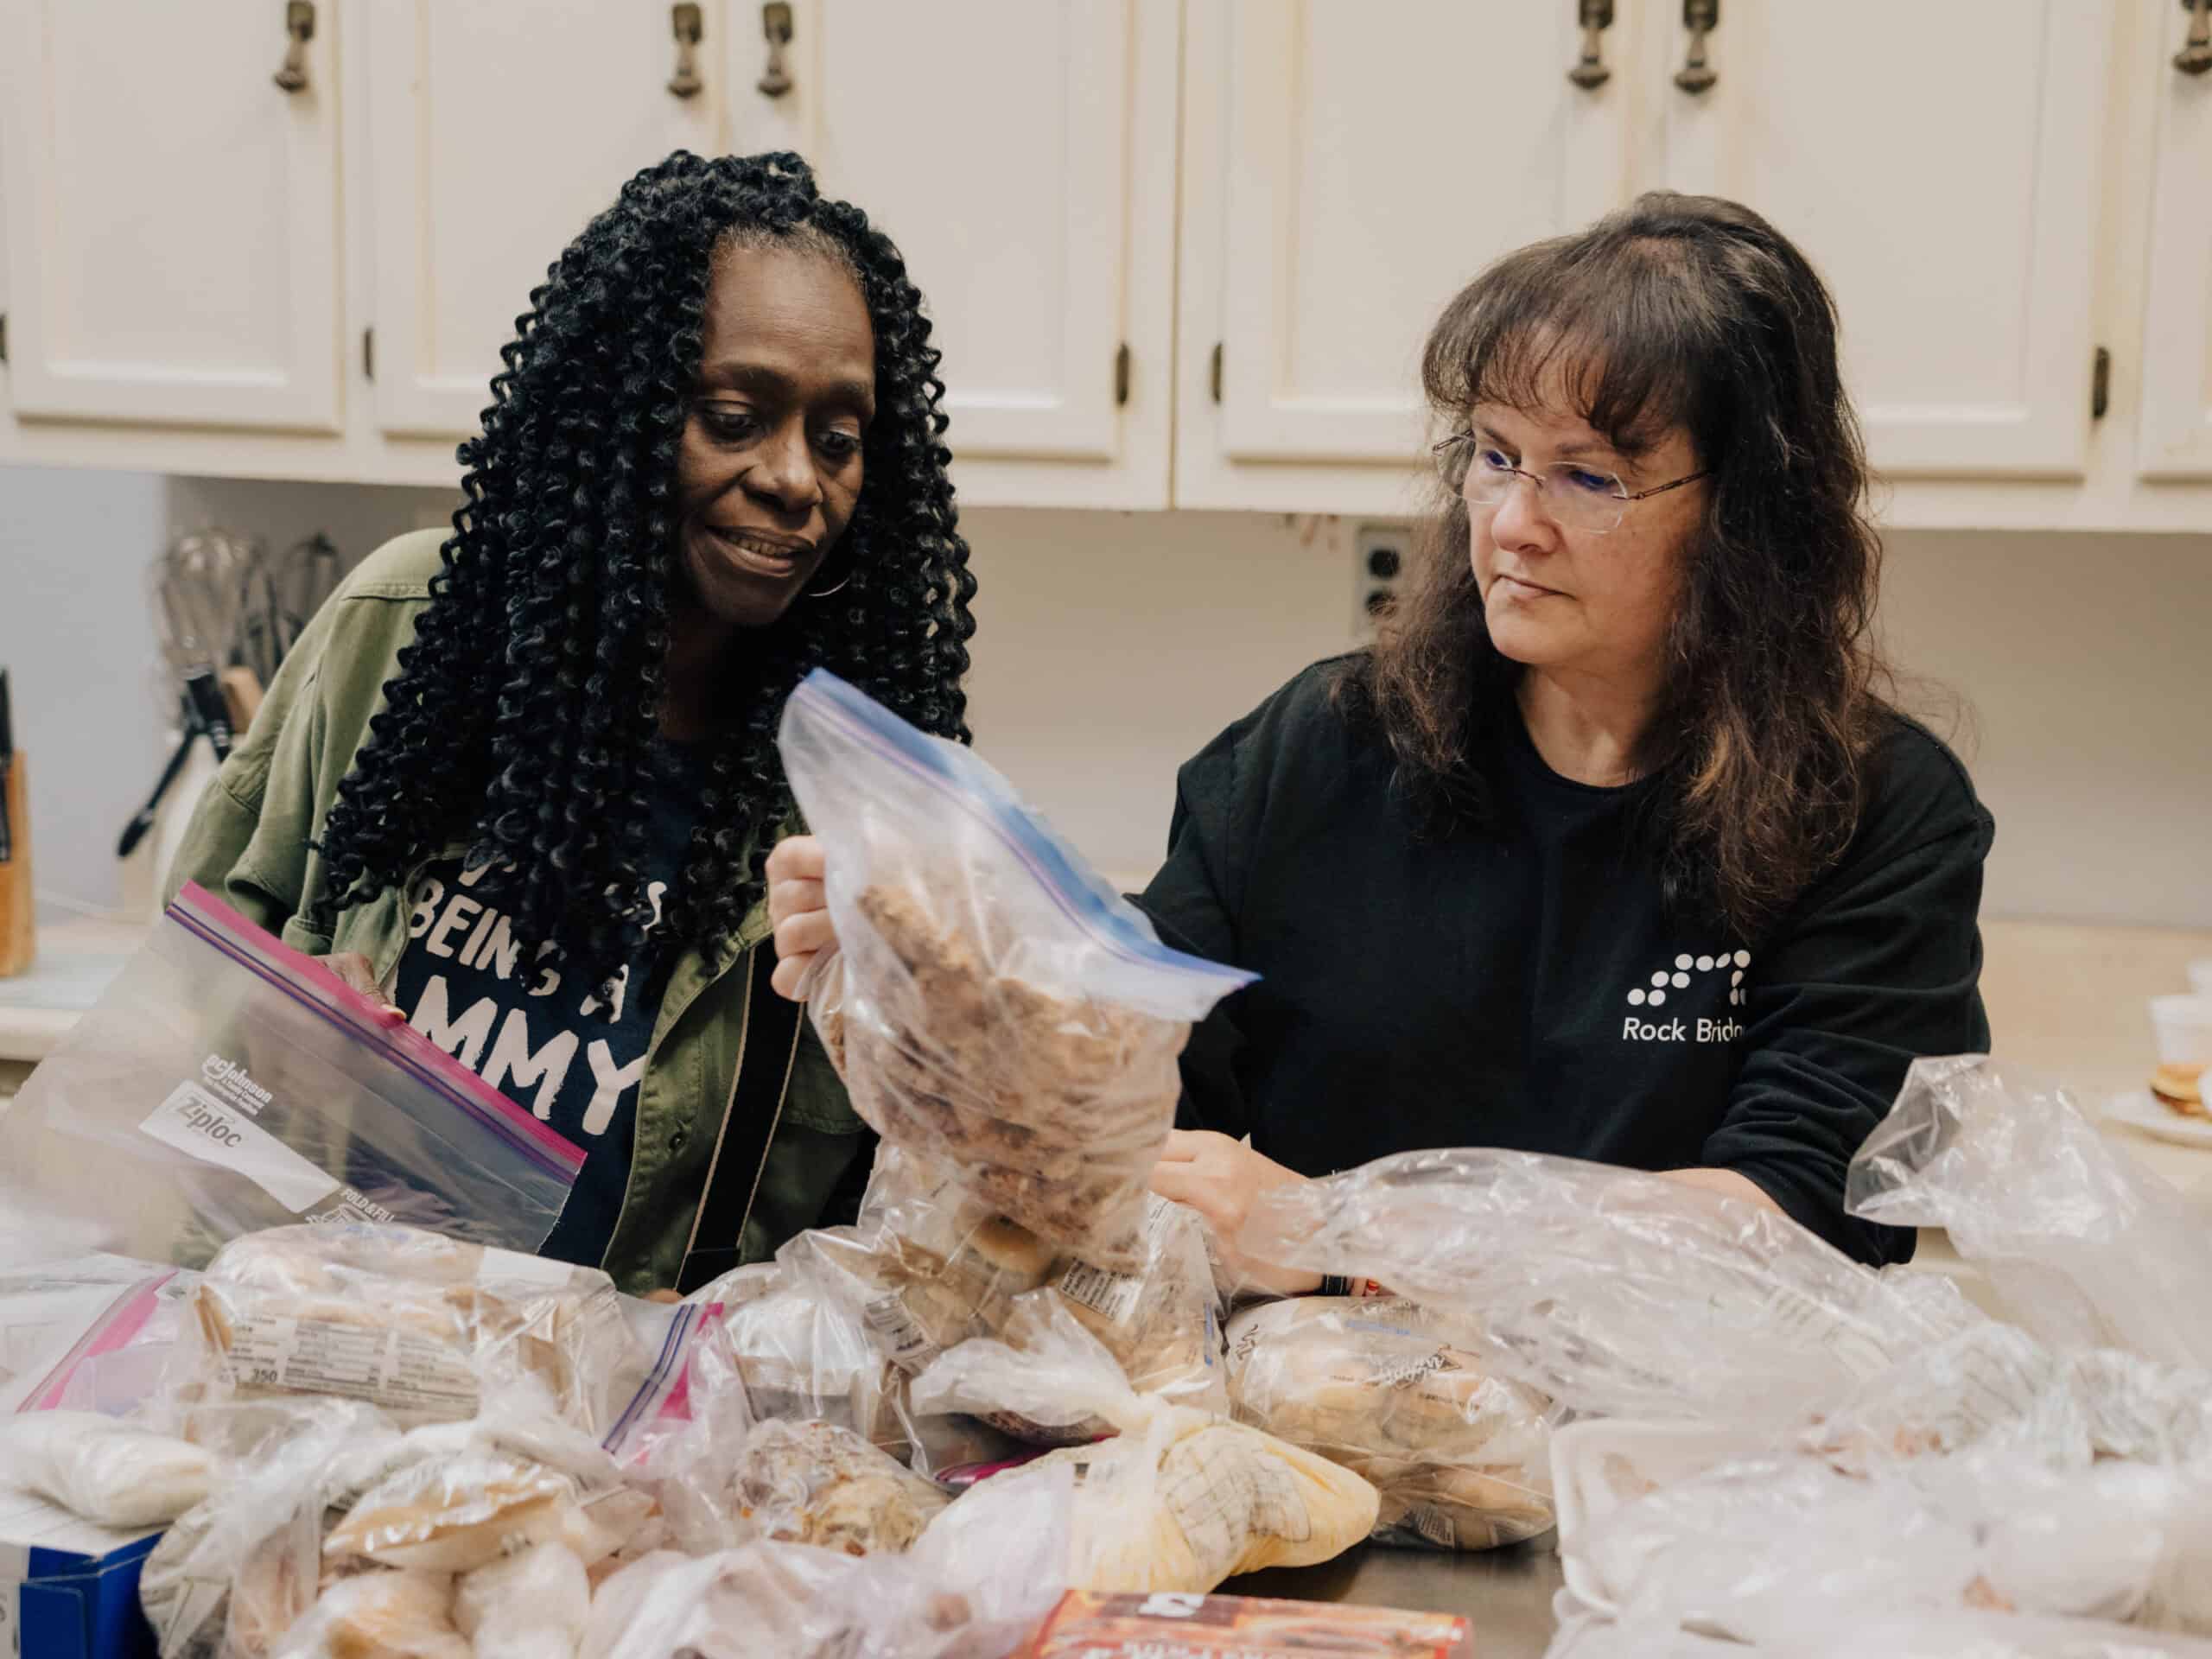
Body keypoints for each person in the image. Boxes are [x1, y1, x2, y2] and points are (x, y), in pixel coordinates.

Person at [769, 192, 1991, 1276]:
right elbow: (1129, 1102)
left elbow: (1794, 1224)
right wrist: (942, 961)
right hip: (1343, 1422)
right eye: (1496, 455)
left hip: (1683, 1477)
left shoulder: (1877, 811)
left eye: (1588, 478)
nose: (1512, 523)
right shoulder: (1326, 747)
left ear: (1747, 516)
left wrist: (1343, 1230)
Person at [168, 151, 975, 1295]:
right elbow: (197, 974)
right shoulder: (405, 635)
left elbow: (906, 1215)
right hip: (333, 1364)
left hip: (636, 1437)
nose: (797, 479)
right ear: (617, 414)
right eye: (735, 417)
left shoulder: (865, 784)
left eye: (839, 440)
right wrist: (281, 1043)